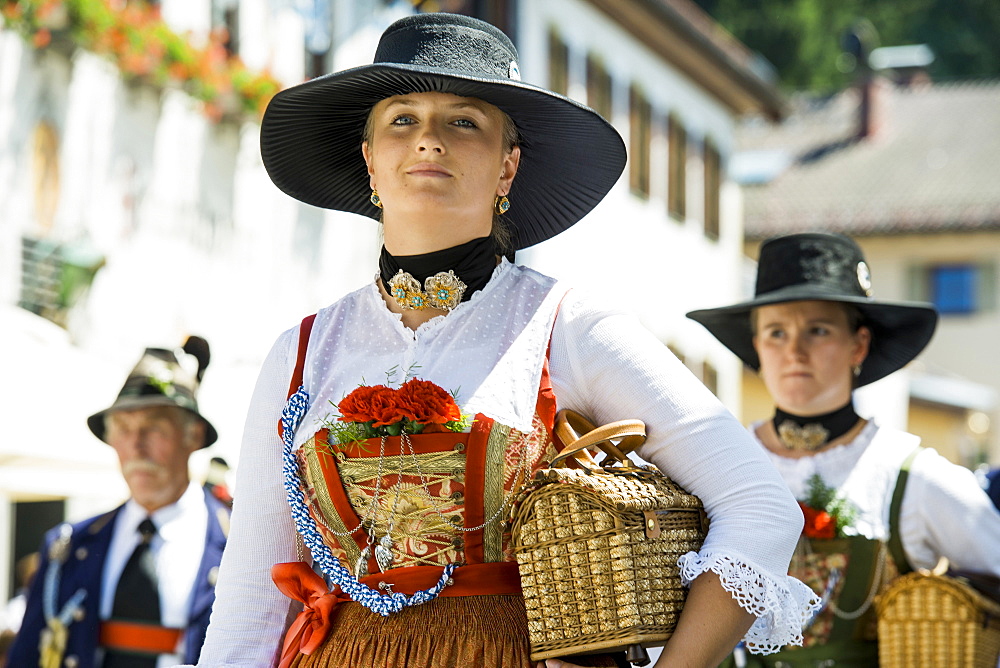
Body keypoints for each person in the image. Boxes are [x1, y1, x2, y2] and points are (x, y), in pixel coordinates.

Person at [190, 13, 818, 668]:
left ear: (507, 167)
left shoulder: (570, 326)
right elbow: (250, 599)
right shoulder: (303, 350)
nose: (428, 140)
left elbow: (760, 506)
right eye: (401, 119)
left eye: (464, 121)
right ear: (370, 161)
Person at [687, 232, 1000, 666]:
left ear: (859, 345)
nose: (794, 351)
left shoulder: (910, 475)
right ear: (756, 347)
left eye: (817, 330)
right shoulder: (708, 464)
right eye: (776, 332)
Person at [8, 337, 231, 668]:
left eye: (153, 427)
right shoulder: (67, 547)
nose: (136, 445)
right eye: (124, 429)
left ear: (194, 435)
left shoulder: (240, 545)